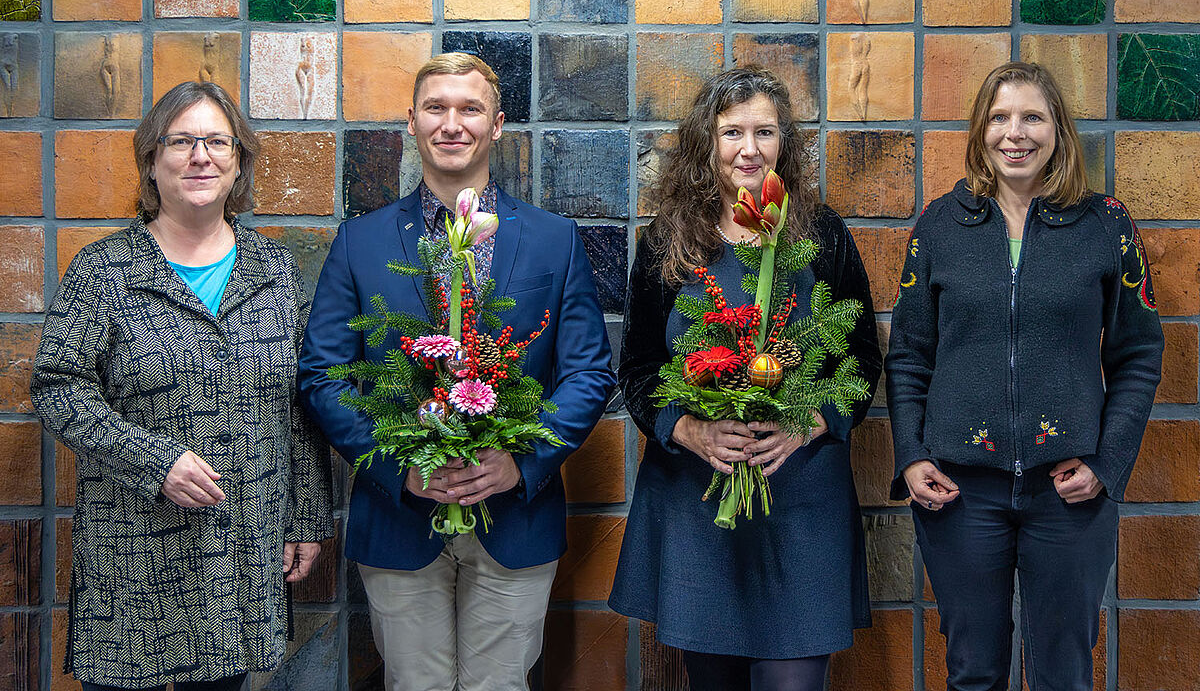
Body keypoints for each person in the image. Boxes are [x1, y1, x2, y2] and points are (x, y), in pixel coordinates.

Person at [298, 52, 615, 691]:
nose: (452, 123)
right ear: (411, 123)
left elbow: (588, 374)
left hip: (516, 517)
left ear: (497, 125)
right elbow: (321, 375)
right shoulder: (361, 241)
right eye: (436, 108)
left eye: (469, 109)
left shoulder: (555, 239)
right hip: (398, 518)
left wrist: (519, 464)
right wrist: (397, 468)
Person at [30, 81, 334, 691]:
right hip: (132, 553)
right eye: (182, 142)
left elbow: (298, 408)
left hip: (239, 548)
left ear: (238, 161)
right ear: (151, 159)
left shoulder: (272, 269)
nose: (201, 157)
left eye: (217, 142)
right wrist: (155, 461)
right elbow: (57, 388)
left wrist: (306, 518)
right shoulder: (105, 268)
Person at [887, 62, 1163, 690]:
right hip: (960, 492)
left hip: (1069, 491)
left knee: (1063, 675)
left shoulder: (1106, 226)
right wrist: (911, 456)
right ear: (981, 130)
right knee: (973, 673)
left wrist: (1107, 462)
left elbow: (1139, 353)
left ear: (1058, 130)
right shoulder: (938, 227)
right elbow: (907, 353)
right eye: (1000, 117)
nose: (1016, 133)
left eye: (1032, 116)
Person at [608, 66, 882, 690]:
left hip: (802, 500)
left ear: (787, 141)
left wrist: (813, 422)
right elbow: (639, 366)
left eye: (765, 131)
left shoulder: (822, 233)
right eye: (732, 132)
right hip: (701, 501)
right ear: (708, 142)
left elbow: (863, 359)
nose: (749, 148)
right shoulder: (669, 240)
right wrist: (690, 430)